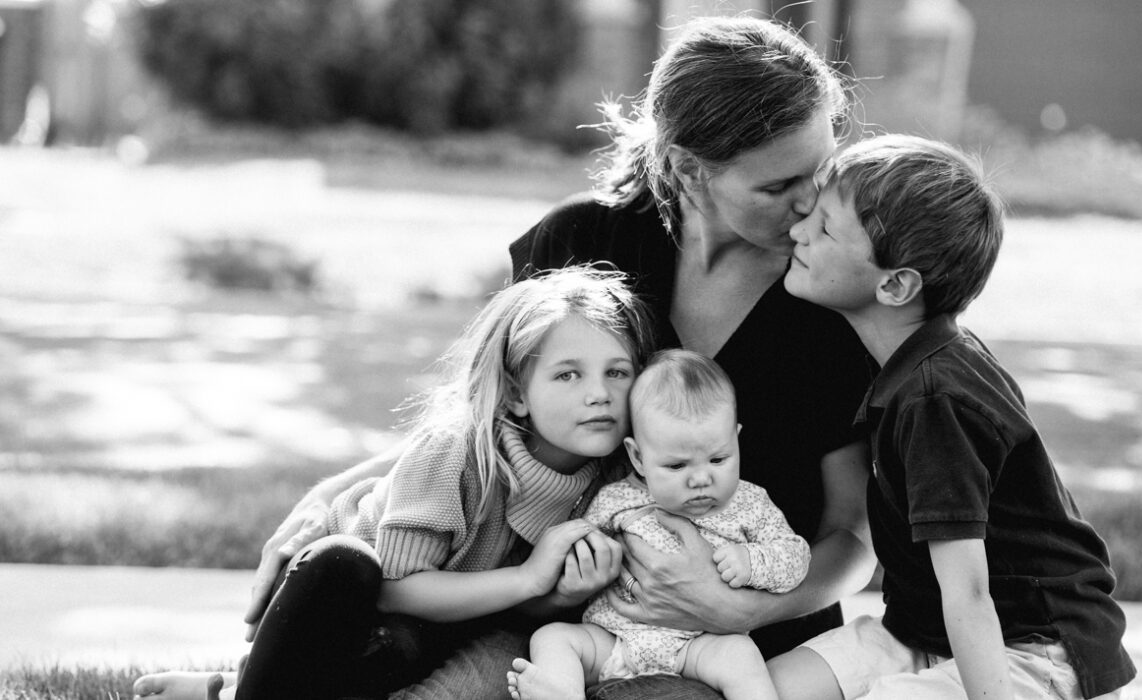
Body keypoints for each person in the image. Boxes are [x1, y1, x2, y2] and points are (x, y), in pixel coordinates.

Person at [235, 14, 877, 700]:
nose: (811, 203)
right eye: (780, 187)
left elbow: (853, 537)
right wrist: (332, 492)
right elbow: (493, 415)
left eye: (821, 171)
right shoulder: (584, 242)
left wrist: (742, 610)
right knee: (393, 641)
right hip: (556, 614)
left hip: (736, 639)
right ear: (691, 170)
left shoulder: (826, 294)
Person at [133, 266, 655, 700]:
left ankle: (222, 691)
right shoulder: (457, 453)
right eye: (569, 374)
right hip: (350, 602)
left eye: (618, 372)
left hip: (455, 621)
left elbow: (519, 606)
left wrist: (560, 595)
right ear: (517, 394)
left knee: (486, 660)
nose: (600, 395)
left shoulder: (615, 481)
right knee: (356, 583)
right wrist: (531, 579)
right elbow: (394, 589)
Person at [768, 133, 1137, 699]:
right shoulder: (907, 361)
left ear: (895, 285)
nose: (796, 231)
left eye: (822, 229)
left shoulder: (935, 399)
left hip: (1032, 648)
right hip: (922, 630)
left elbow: (969, 594)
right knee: (766, 686)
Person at [507, 349, 811, 700]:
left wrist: (751, 561)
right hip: (614, 639)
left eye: (718, 458)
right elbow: (580, 545)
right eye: (677, 466)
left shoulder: (750, 502)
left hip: (698, 646)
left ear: (737, 440)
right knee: (552, 638)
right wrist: (584, 564)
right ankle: (563, 692)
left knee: (741, 657)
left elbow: (795, 555)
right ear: (638, 456)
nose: (700, 478)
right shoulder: (616, 499)